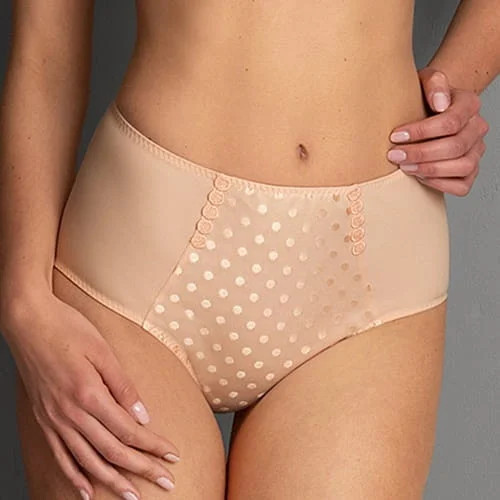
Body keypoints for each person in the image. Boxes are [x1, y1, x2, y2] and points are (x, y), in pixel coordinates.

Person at [0, 1, 497, 499]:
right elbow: (45, 54)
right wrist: (23, 304)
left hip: (370, 278)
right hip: (138, 259)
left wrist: (453, 84)